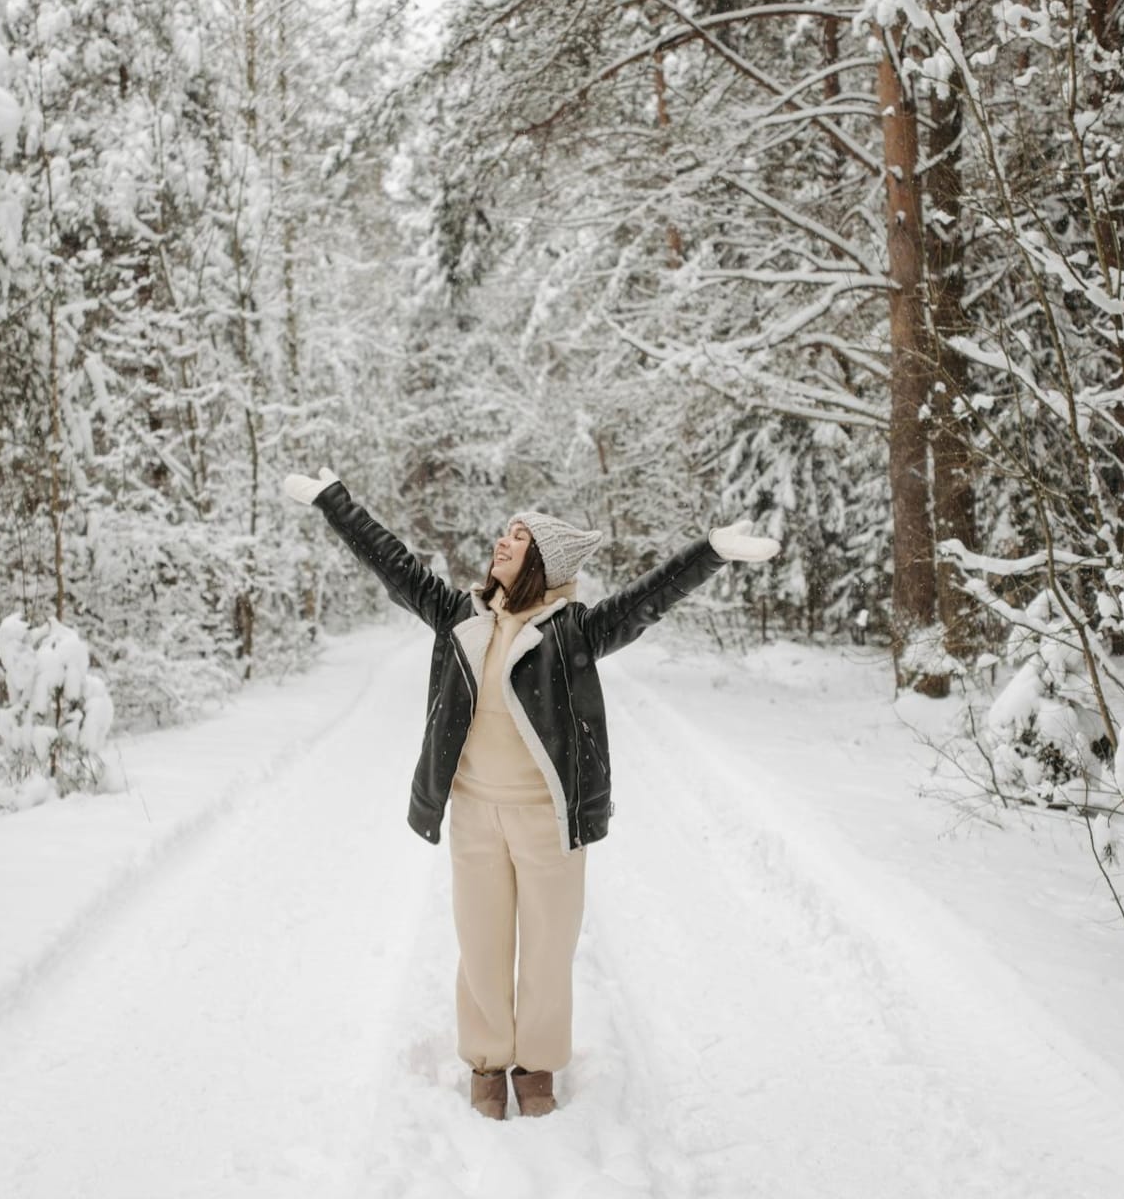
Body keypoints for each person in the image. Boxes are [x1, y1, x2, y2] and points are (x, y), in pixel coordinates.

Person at [281, 468, 779, 1119]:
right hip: (474, 815)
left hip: (548, 819)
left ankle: (536, 1063)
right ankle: (487, 1062)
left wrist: (709, 553)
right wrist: (335, 501)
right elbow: (393, 561)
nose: (502, 542)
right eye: (503, 534)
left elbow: (647, 599)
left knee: (547, 949)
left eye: (518, 537)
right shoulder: (458, 615)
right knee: (481, 944)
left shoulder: (572, 633)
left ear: (542, 560)